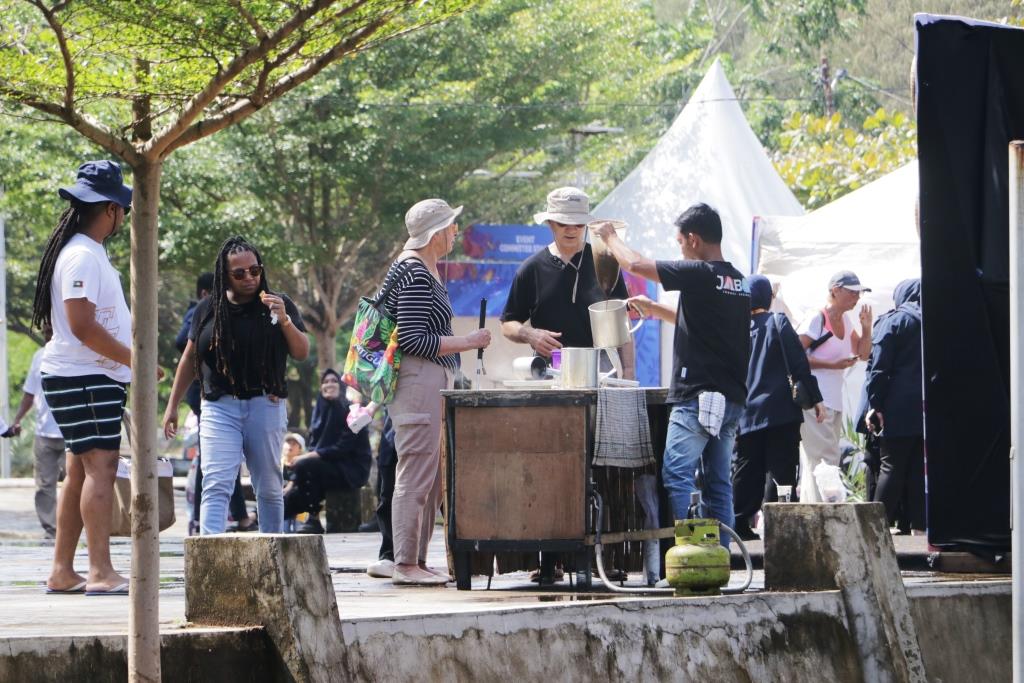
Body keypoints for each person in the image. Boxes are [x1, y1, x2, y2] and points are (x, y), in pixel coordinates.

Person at [593, 203, 750, 542]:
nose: (680, 249)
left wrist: (609, 237)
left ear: (693, 239)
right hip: (731, 399)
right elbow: (701, 323)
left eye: (680, 242)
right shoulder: (738, 281)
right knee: (718, 483)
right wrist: (654, 309)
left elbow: (634, 264)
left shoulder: (700, 273)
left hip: (698, 396)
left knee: (677, 475)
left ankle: (690, 554)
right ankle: (718, 558)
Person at [163, 236, 310, 534]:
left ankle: (273, 553)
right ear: (224, 275)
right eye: (239, 273)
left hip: (266, 404)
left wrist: (284, 320)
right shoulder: (208, 309)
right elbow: (190, 359)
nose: (249, 278)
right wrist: (172, 406)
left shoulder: (277, 303)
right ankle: (210, 561)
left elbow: (301, 352)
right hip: (220, 406)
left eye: (255, 270)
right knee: (216, 482)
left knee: (268, 486)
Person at [33, 160, 134, 595]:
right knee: (101, 467)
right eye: (123, 208)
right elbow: (81, 325)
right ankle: (100, 572)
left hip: (86, 376)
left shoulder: (84, 251)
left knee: (78, 471)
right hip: (85, 376)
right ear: (111, 209)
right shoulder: (81, 255)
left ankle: (63, 570)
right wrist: (137, 359)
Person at [383, 198, 491, 585]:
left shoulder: (422, 268)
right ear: (435, 233)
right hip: (418, 383)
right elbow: (412, 338)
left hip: (431, 382)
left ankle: (417, 560)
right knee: (414, 475)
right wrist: (467, 341)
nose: (456, 233)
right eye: (451, 227)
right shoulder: (413, 272)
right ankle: (405, 563)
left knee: (428, 479)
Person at [501, 186, 633, 377]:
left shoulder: (605, 262)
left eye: (579, 224)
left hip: (602, 369)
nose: (571, 229)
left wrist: (628, 371)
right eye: (563, 223)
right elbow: (508, 323)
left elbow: (623, 320)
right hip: (549, 370)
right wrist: (530, 334)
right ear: (550, 223)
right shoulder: (531, 268)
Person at [732, 276, 824, 540]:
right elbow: (798, 362)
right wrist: (816, 399)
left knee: (747, 466)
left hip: (746, 411)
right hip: (780, 409)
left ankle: (739, 524)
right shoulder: (777, 321)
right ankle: (777, 523)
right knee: (780, 465)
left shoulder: (735, 328)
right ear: (767, 298)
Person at [797, 270, 872, 502]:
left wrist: (867, 328)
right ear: (835, 290)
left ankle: (814, 511)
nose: (856, 298)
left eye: (858, 293)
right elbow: (795, 355)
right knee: (824, 459)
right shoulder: (817, 318)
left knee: (821, 460)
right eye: (852, 292)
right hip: (814, 400)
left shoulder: (846, 320)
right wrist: (831, 364)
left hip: (833, 401)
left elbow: (863, 353)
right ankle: (825, 512)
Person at [865, 278, 925, 533]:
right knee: (916, 469)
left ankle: (875, 526)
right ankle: (920, 526)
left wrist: (875, 403)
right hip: (927, 406)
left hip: (896, 405)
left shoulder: (894, 320)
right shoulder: (935, 320)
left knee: (891, 465)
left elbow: (879, 367)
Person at [284, 368, 372, 534]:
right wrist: (292, 482)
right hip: (329, 466)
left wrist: (308, 457)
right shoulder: (320, 412)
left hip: (351, 469)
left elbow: (343, 448)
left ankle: (313, 518)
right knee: (293, 491)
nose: (329, 384)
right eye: (325, 381)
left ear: (341, 385)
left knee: (306, 465)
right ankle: (257, 518)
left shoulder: (351, 411)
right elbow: (314, 446)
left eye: (334, 381)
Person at [12, 324, 66, 539]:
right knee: (44, 486)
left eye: (52, 332)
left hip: (71, 431)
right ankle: (52, 531)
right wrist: (17, 420)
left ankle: (74, 527)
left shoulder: (75, 354)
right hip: (44, 432)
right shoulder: (39, 357)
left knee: (77, 482)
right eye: (46, 333)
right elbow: (29, 393)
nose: (48, 336)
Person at [366, 412, 397, 578]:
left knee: (443, 494)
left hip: (428, 423)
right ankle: (389, 554)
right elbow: (381, 389)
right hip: (393, 428)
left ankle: (463, 557)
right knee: (388, 495)